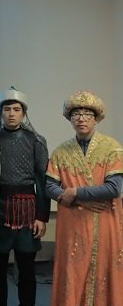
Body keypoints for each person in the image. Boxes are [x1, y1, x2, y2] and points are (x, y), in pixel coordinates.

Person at [45, 90, 123, 305]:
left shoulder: (112, 148)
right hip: (73, 221)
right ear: (70, 119)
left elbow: (114, 188)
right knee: (73, 269)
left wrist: (76, 192)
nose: (81, 118)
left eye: (87, 114)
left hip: (104, 221)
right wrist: (77, 199)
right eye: (76, 114)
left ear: (96, 119)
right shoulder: (61, 151)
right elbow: (49, 186)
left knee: (103, 268)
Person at [0, 87, 49, 306]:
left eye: (16, 109)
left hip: (28, 209)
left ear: (24, 113)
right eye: (7, 109)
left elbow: (42, 180)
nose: (11, 114)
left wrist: (42, 216)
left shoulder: (36, 141)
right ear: (0, 113)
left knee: (26, 267)